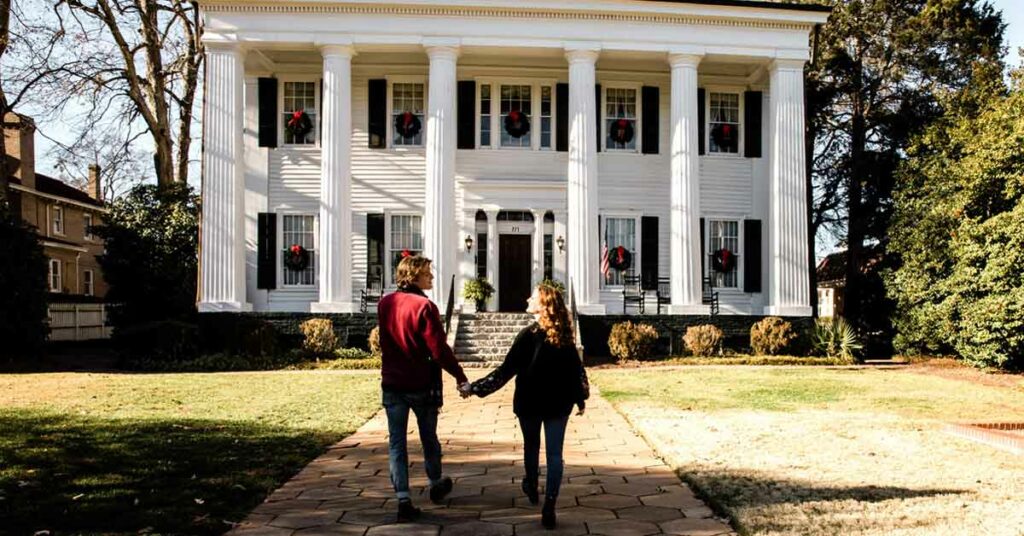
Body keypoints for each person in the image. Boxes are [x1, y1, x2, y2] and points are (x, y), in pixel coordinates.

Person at [459, 283, 589, 530]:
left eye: (534, 296)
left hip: (530, 402)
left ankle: (531, 484)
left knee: (532, 446)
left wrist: (474, 388)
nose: (527, 297)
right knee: (554, 455)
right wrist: (581, 398)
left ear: (543, 304)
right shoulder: (564, 337)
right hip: (558, 404)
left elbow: (505, 371)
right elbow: (576, 372)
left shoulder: (528, 335)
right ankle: (549, 504)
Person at [377, 254, 470, 522]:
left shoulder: (385, 304)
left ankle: (403, 499)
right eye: (428, 273)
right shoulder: (425, 307)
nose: (431, 277)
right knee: (429, 438)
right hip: (421, 383)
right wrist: (460, 376)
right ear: (414, 275)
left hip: (392, 382)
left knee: (397, 443)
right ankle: (435, 483)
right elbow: (439, 350)